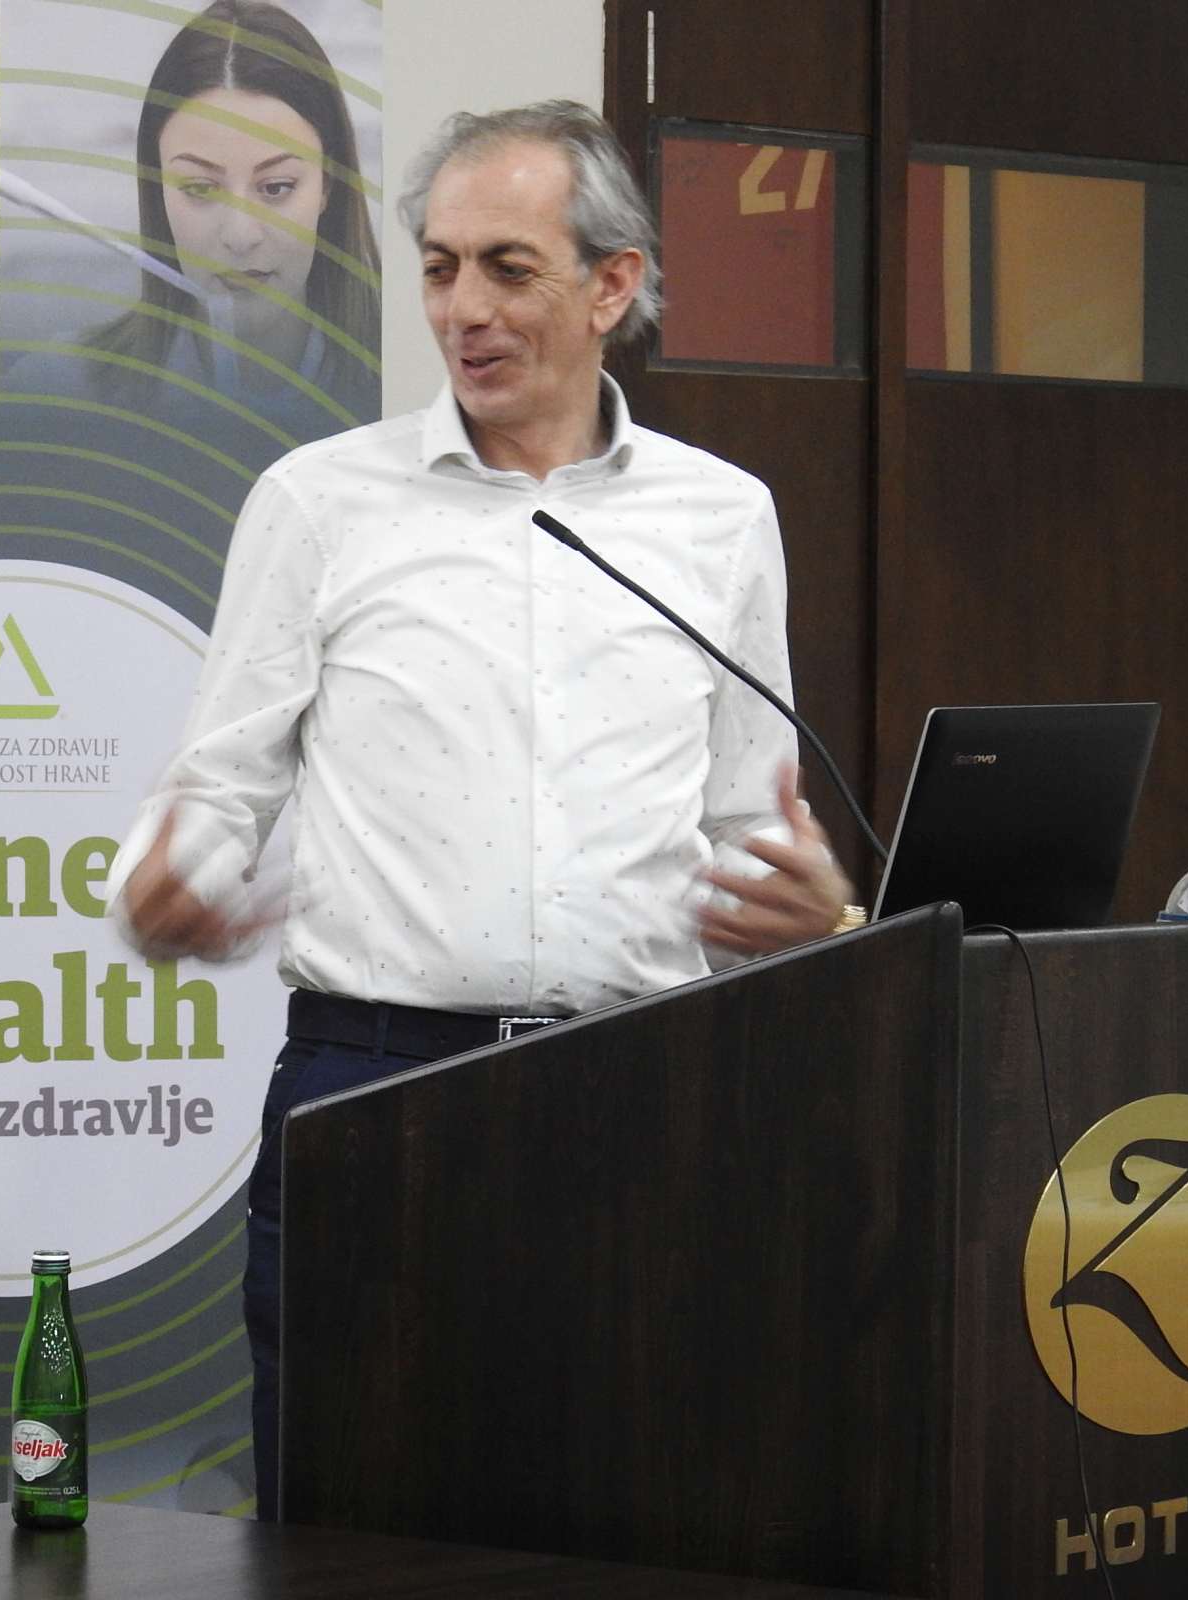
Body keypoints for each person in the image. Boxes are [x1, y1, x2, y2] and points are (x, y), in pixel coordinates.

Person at [104, 100, 851, 1518]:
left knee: (630, 1515)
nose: (463, 308)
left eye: (508, 267)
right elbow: (217, 781)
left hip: (642, 1088)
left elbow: (746, 818)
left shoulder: (720, 517)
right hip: (372, 1087)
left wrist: (806, 910)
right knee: (353, 1524)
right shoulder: (319, 503)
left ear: (611, 284)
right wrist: (168, 880)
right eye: (440, 267)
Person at [83, 0, 381, 448]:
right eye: (201, 189)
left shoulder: (414, 390)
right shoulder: (62, 390)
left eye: (276, 187)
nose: (240, 237)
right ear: (157, 188)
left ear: (328, 186)